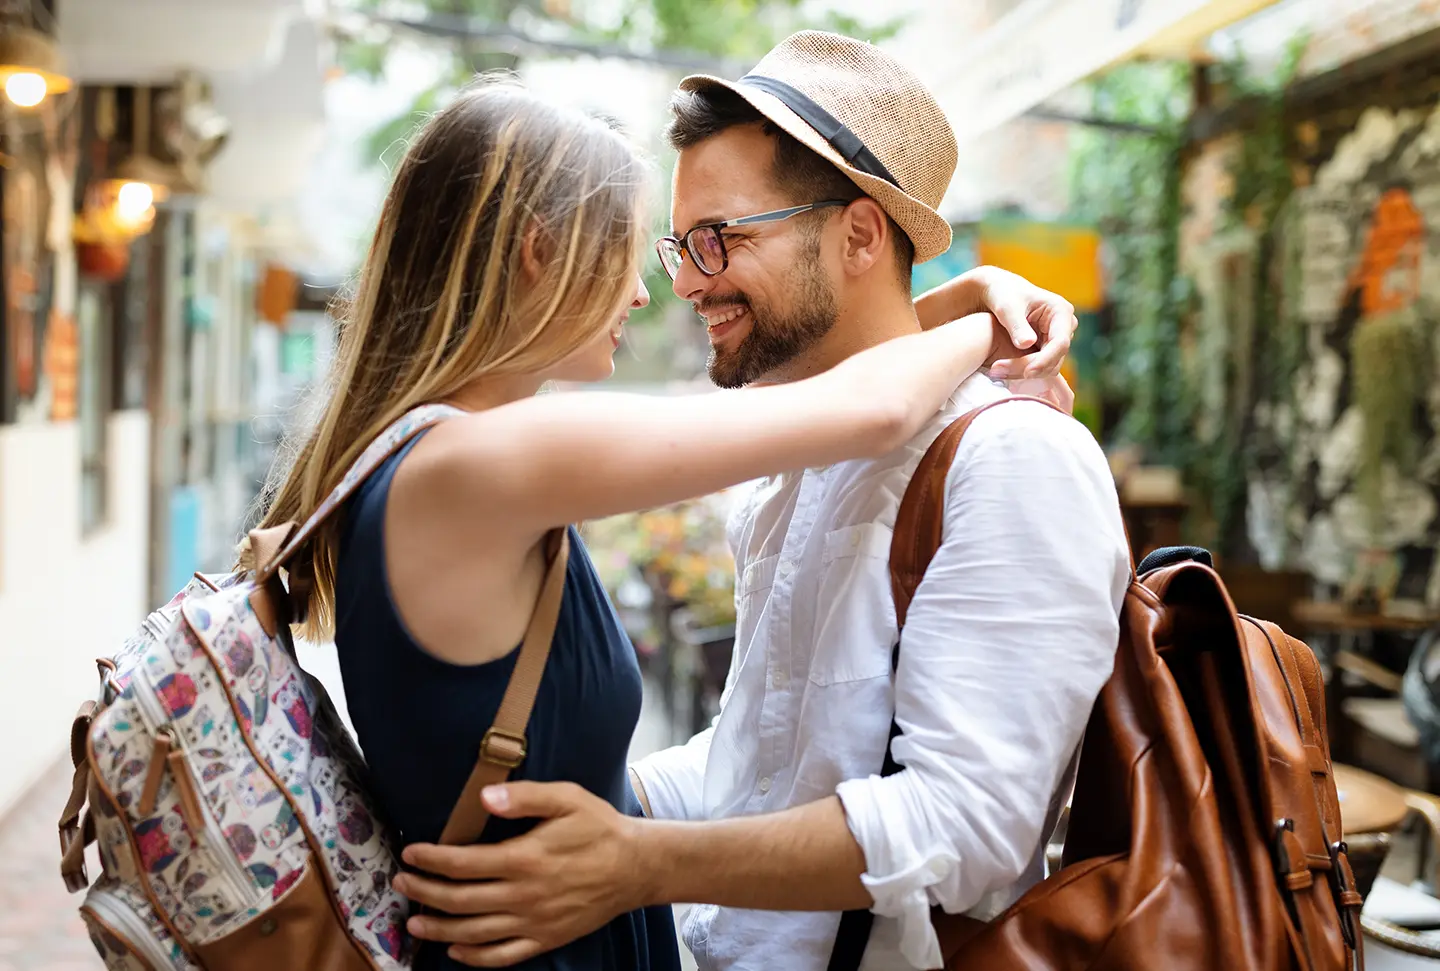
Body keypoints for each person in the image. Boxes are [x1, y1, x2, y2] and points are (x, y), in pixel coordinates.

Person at [250, 72, 1078, 971]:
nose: (668, 287)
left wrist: (628, 846)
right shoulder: (487, 460)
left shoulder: (1004, 459)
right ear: (539, 253)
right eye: (661, 247)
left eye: (711, 241)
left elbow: (891, 795)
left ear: (861, 234)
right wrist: (988, 308)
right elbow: (872, 407)